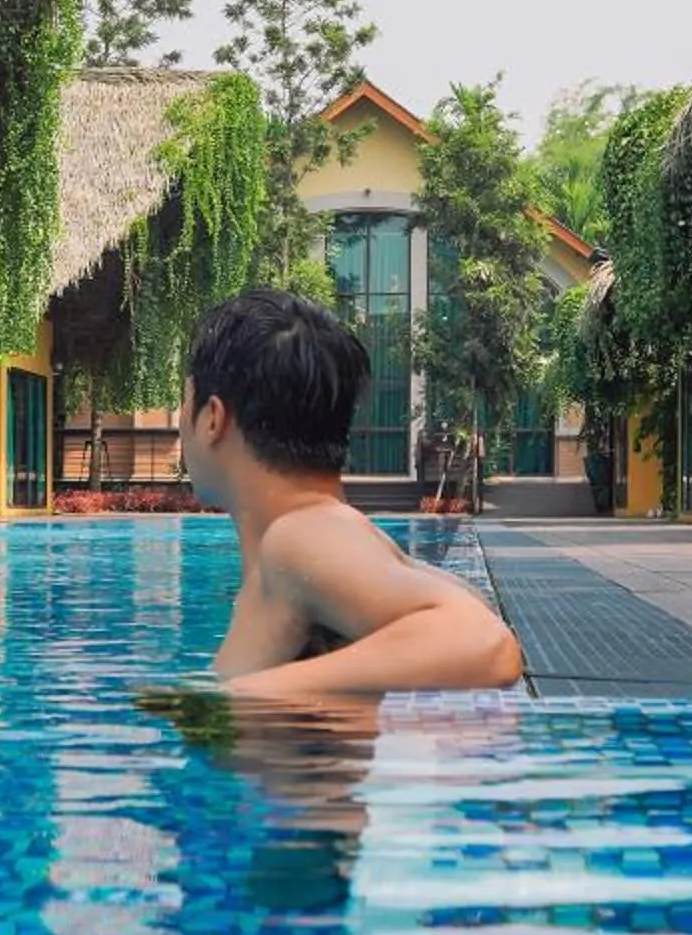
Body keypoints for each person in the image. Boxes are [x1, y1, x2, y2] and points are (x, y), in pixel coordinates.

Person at [176, 289, 524, 695]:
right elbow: (472, 604)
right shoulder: (325, 539)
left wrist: (229, 700)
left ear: (213, 418)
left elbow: (484, 642)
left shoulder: (301, 538)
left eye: (184, 402)